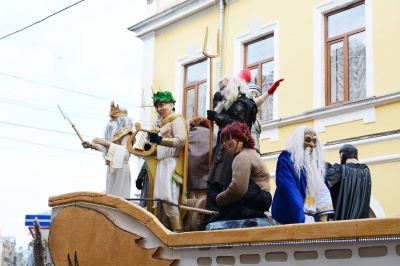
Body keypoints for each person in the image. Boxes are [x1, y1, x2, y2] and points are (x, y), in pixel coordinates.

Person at [206, 74, 283, 213]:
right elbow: (254, 104)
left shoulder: (241, 103)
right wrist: (268, 92)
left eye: (224, 87)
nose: (221, 91)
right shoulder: (237, 102)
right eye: (220, 88)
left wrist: (217, 116)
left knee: (230, 179)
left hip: (237, 145)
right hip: (228, 145)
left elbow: (237, 123)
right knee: (219, 180)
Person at [199, 122, 272, 230]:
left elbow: (237, 190)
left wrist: (217, 200)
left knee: (206, 227)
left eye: (228, 138)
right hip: (255, 205)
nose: (225, 144)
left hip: (246, 208)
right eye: (224, 140)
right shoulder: (251, 153)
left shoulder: (242, 156)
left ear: (240, 138)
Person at [271, 126, 334, 224]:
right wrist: (300, 217)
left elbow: (323, 192)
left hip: (312, 220)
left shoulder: (316, 167)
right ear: (299, 141)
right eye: (308, 140)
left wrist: (323, 220)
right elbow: (287, 188)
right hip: (294, 220)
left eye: (314, 141)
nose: (312, 145)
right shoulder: (287, 160)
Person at [147, 91, 189, 232]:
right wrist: (151, 149)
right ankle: (165, 234)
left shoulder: (176, 119)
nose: (159, 109)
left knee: (168, 200)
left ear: (172, 104)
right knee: (161, 203)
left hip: (171, 164)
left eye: (162, 105)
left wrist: (159, 140)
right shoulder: (163, 123)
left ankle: (178, 233)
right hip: (162, 164)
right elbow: (162, 149)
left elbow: (180, 141)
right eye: (157, 106)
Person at [82, 102, 133, 198]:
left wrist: (106, 143)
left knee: (118, 197)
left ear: (121, 119)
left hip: (121, 168)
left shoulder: (127, 134)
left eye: (113, 117)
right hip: (111, 167)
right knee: (111, 196)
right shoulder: (115, 133)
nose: (110, 120)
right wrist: (91, 145)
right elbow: (109, 150)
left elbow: (125, 153)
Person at [238, 68, 284, 154]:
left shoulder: (256, 116)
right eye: (252, 96)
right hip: (245, 151)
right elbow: (253, 104)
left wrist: (270, 92)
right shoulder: (244, 112)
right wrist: (268, 92)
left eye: (256, 96)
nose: (255, 99)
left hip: (256, 150)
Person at [326, 144, 372, 220]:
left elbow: (325, 183)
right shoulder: (366, 171)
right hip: (361, 222)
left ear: (341, 155)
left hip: (343, 221)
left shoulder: (340, 169)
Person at [187, 116, 217, 198]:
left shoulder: (187, 135)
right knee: (203, 202)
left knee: (191, 202)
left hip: (189, 177)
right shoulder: (213, 136)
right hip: (208, 177)